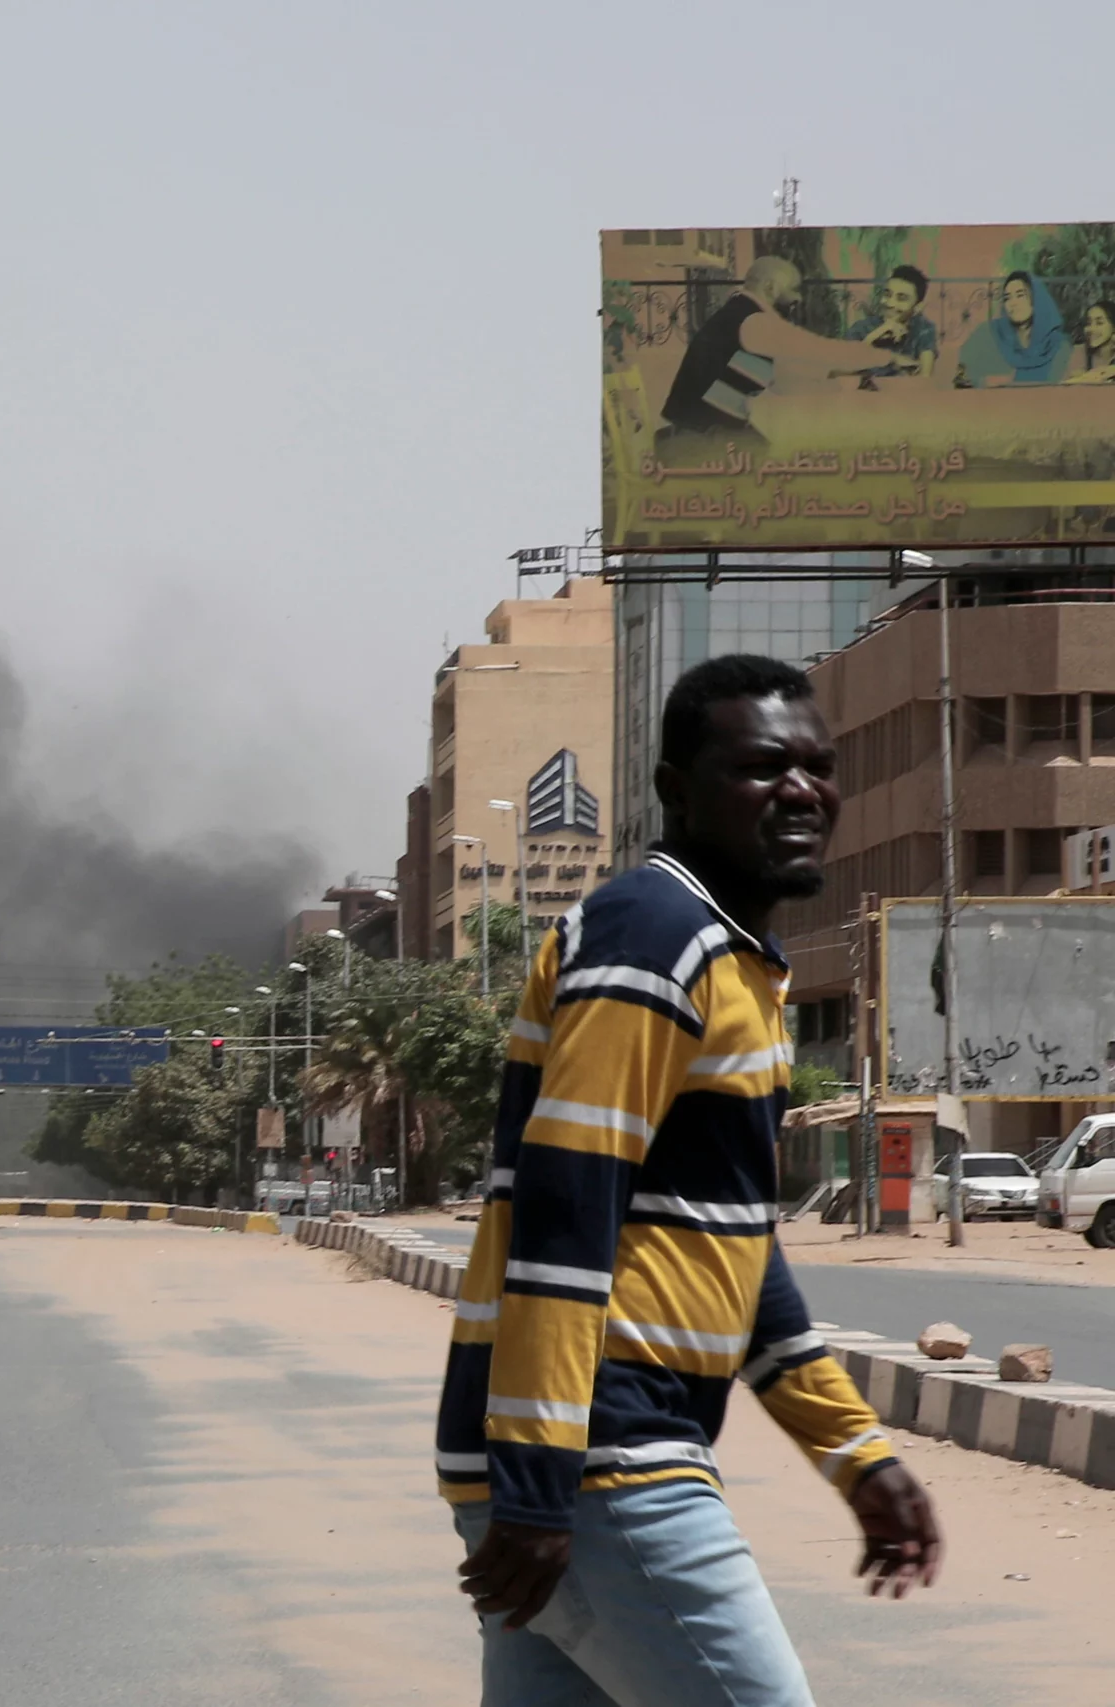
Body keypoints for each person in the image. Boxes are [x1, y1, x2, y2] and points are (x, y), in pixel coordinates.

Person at [444, 653, 941, 1705]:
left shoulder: (732, 961)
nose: (802, 792)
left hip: (583, 1461)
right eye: (763, 769)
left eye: (817, 767)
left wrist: (855, 1454)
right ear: (675, 791)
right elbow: (565, 1209)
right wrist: (540, 1483)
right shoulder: (654, 936)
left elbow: (736, 1258)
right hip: (601, 1457)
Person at [658, 256, 907, 442]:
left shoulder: (739, 313)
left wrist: (839, 380)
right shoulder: (755, 321)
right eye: (794, 289)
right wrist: (887, 357)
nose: (798, 298)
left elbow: (784, 376)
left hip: (699, 429)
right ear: (770, 287)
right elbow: (820, 350)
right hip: (700, 438)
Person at [955, 269, 1070, 386]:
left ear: (1036, 299)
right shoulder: (988, 334)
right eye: (1007, 298)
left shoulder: (1056, 345)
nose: (1013, 303)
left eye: (1020, 295)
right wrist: (987, 381)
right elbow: (963, 376)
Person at [845, 263, 937, 381]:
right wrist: (877, 334)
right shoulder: (862, 327)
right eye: (887, 294)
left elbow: (925, 378)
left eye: (901, 298)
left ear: (918, 307)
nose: (889, 303)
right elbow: (841, 372)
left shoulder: (923, 328)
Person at [1065, 300, 1115, 383]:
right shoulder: (1079, 352)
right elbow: (1067, 386)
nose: (1091, 329)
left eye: (1099, 323)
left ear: (1113, 327)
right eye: (1088, 323)